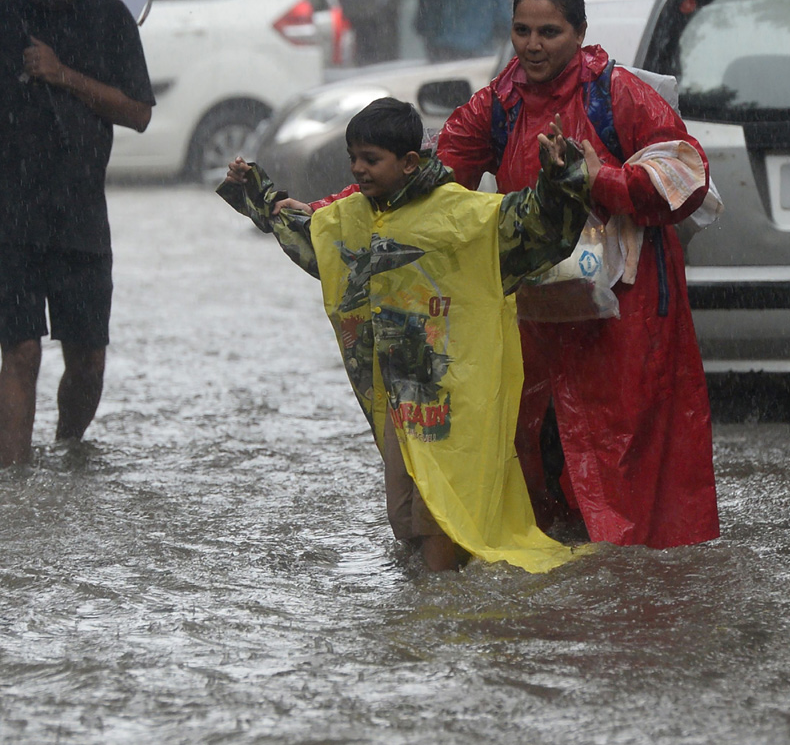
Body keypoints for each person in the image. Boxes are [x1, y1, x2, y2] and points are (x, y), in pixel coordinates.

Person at [218, 97, 594, 573]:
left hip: (452, 392)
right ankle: (436, 595)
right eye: (353, 158)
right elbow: (312, 240)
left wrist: (561, 177)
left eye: (370, 160)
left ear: (409, 162)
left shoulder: (461, 214)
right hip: (395, 395)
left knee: (436, 509)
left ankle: (436, 608)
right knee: (406, 513)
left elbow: (533, 227)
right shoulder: (354, 216)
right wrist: (256, 192)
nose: (358, 169)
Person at [437, 0, 720, 548]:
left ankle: (620, 582)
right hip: (536, 309)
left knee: (623, 448)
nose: (533, 45)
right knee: (533, 440)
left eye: (549, 32)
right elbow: (433, 183)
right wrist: (328, 210)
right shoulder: (498, 103)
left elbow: (686, 178)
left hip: (628, 314)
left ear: (581, 32)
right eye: (522, 31)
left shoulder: (621, 94)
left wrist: (602, 178)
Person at [0, 0, 155, 467]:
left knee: (88, 359)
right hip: (10, 215)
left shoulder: (109, 18)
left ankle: (68, 453)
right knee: (19, 353)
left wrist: (62, 74)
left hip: (81, 214)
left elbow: (138, 113)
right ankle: (14, 493)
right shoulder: (5, 9)